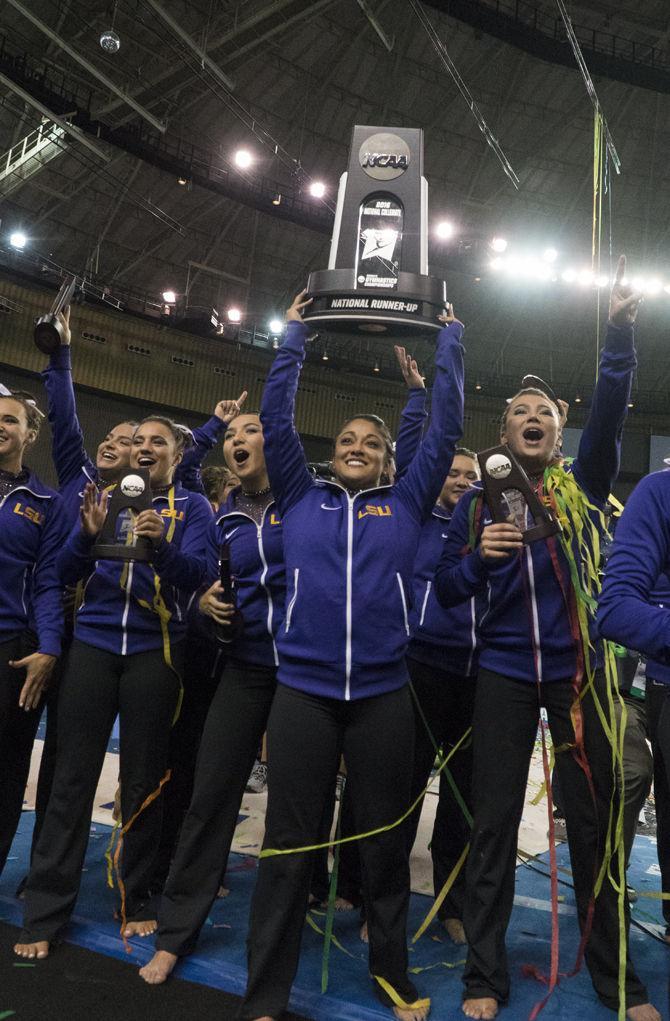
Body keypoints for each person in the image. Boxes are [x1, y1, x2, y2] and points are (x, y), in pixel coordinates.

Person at [434, 256, 658, 1021]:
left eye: (545, 411)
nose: (533, 417)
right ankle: (484, 977)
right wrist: (478, 558)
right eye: (520, 411)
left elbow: (617, 409)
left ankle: (619, 980)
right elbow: (445, 585)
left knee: (592, 830)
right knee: (493, 823)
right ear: (503, 432)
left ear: (560, 428)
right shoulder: (479, 504)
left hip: (576, 678)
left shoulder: (583, 487)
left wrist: (618, 333)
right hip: (500, 673)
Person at [237, 291, 465, 1021]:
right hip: (301, 691)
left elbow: (448, 428)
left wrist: (450, 344)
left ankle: (391, 976)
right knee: (288, 843)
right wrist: (294, 334)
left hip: (382, 696)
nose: (357, 443)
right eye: (346, 438)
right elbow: (275, 421)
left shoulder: (404, 503)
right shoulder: (303, 497)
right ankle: (267, 990)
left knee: (386, 848)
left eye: (371, 438)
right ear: (330, 451)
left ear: (389, 455)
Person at [14, 415, 212, 959]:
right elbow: (65, 570)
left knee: (145, 782)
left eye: (158, 442)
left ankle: (136, 897)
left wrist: (160, 546)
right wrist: (86, 533)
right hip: (94, 650)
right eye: (139, 441)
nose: (145, 449)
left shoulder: (193, 508)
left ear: (177, 453)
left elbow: (197, 574)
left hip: (156, 653)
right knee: (71, 782)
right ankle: (47, 911)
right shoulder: (100, 498)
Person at [139, 405, 287, 985]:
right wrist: (203, 603)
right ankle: (176, 934)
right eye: (231, 435)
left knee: (291, 821)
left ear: (277, 443)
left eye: (253, 430)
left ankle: (273, 952)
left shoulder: (307, 504)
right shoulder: (224, 516)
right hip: (244, 669)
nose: (239, 440)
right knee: (209, 799)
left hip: (301, 674)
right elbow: (206, 579)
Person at [404, 447, 480, 946]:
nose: (460, 480)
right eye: (452, 473)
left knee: (461, 797)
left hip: (478, 675)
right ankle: (373, 895)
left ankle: (451, 902)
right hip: (421, 666)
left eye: (470, 475)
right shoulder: (415, 523)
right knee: (401, 789)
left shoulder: (494, 524)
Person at [596, 472, 670, 941]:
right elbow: (615, 608)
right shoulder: (653, 503)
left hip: (653, 682)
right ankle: (606, 888)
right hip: (623, 688)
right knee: (631, 776)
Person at [0, 391, 68, 876]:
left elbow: (49, 582)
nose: (0, 426)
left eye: (10, 420)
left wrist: (48, 645)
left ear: (29, 433)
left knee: (5, 770)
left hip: (11, 649)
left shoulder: (47, 503)